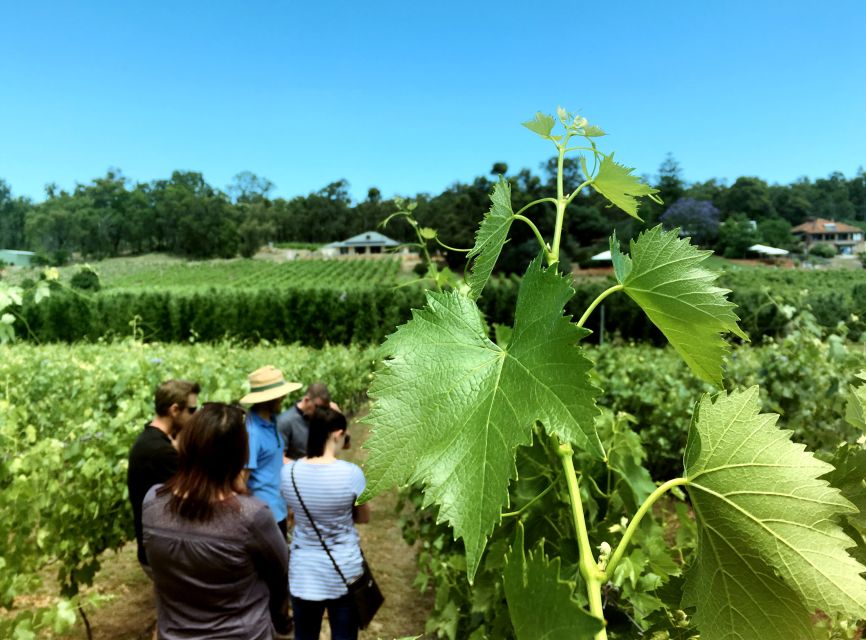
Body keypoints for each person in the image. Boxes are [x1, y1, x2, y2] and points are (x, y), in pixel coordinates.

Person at [142, 403, 291, 640]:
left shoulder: (153, 501)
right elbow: (280, 572)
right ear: (238, 456)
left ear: (187, 444)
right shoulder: (251, 516)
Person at [280, 407, 371, 640]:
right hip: (344, 571)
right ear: (338, 434)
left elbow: (293, 511)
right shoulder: (352, 474)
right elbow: (364, 517)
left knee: (305, 635)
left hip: (304, 573)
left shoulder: (289, 473)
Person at [127, 379, 200, 573]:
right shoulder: (160, 452)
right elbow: (196, 494)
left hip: (157, 550)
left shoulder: (153, 441)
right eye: (191, 410)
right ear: (174, 410)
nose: (194, 416)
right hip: (163, 557)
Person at [241, 365, 302, 538]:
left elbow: (274, 464)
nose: (284, 397)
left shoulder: (273, 421)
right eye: (279, 396)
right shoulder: (252, 432)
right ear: (269, 399)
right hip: (262, 516)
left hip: (278, 509)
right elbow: (241, 480)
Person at [277, 382, 337, 460]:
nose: (321, 412)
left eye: (324, 408)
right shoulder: (285, 422)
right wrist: (305, 467)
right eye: (317, 407)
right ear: (306, 400)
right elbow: (279, 459)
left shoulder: (322, 417)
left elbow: (346, 444)